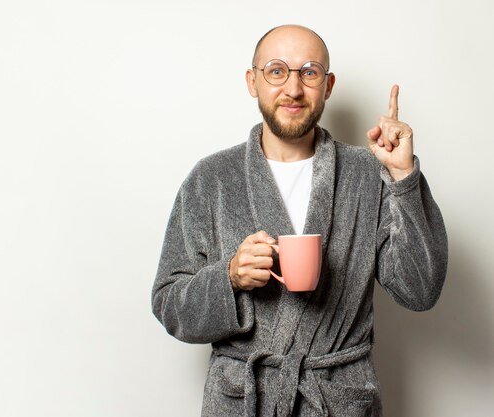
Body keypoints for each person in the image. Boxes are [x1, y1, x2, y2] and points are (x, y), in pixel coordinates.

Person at [151, 24, 447, 417]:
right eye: (276, 71)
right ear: (252, 81)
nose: (293, 89)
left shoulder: (366, 172)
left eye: (309, 72)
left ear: (328, 85)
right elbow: (169, 305)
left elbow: (420, 291)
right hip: (243, 403)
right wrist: (229, 279)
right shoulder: (212, 179)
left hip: (338, 401)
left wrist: (403, 178)